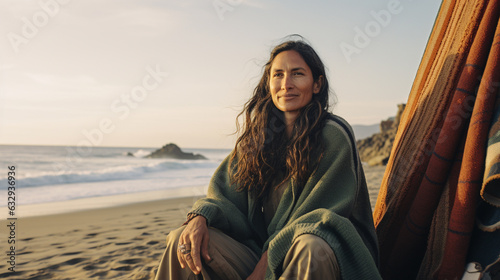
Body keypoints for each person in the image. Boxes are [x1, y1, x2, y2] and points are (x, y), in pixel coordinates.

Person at [154, 37, 381, 280]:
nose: (286, 84)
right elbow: (224, 196)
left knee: (310, 245)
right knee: (185, 239)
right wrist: (199, 217)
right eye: (278, 75)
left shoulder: (333, 134)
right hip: (262, 251)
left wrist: (266, 263)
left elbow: (318, 217)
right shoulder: (259, 137)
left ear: (317, 84)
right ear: (268, 83)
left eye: (297, 74)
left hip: (322, 254)